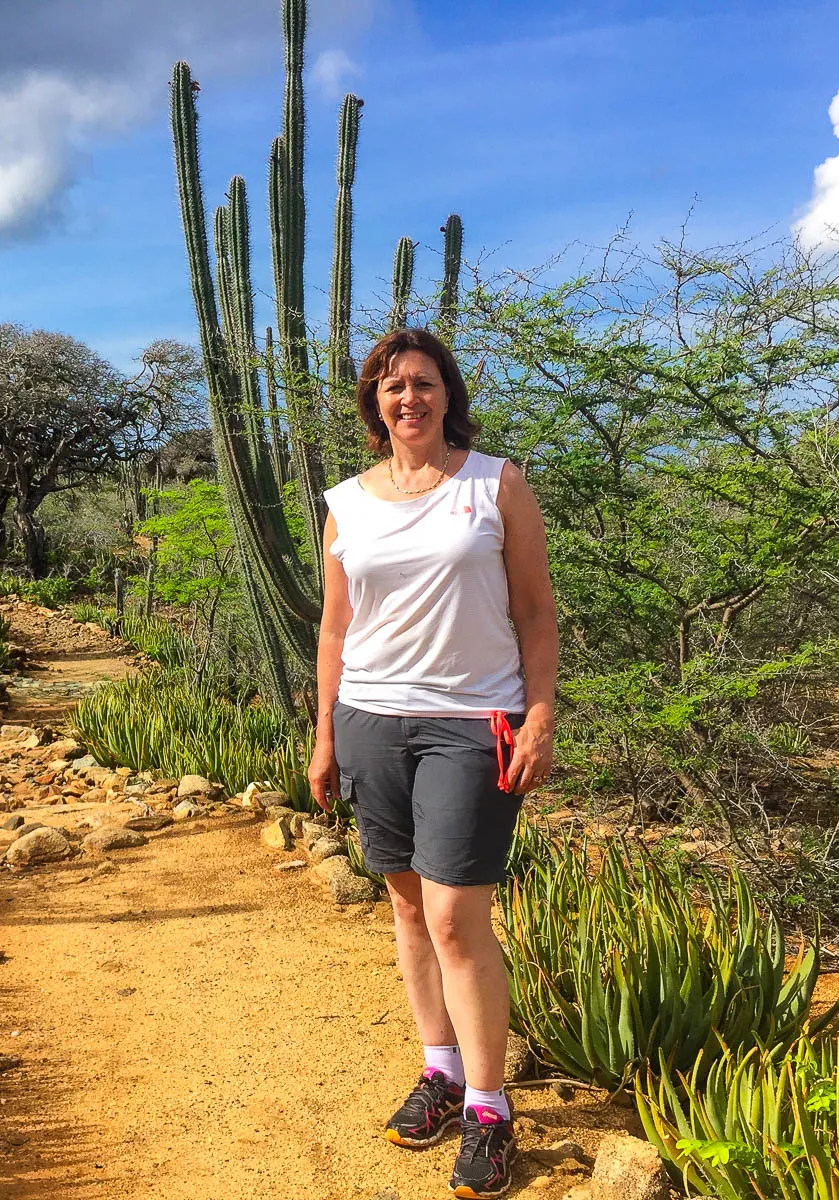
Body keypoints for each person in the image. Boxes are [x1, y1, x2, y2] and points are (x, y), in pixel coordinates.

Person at [309, 327, 558, 1199]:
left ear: (447, 393)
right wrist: (325, 735)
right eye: (389, 386)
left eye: (421, 382)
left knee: (456, 917)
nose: (406, 397)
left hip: (470, 721)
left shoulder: (496, 484)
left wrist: (540, 716)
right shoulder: (347, 501)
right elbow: (336, 628)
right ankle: (441, 1072)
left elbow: (534, 612)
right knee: (409, 910)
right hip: (372, 717)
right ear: (374, 405)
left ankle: (489, 1109)